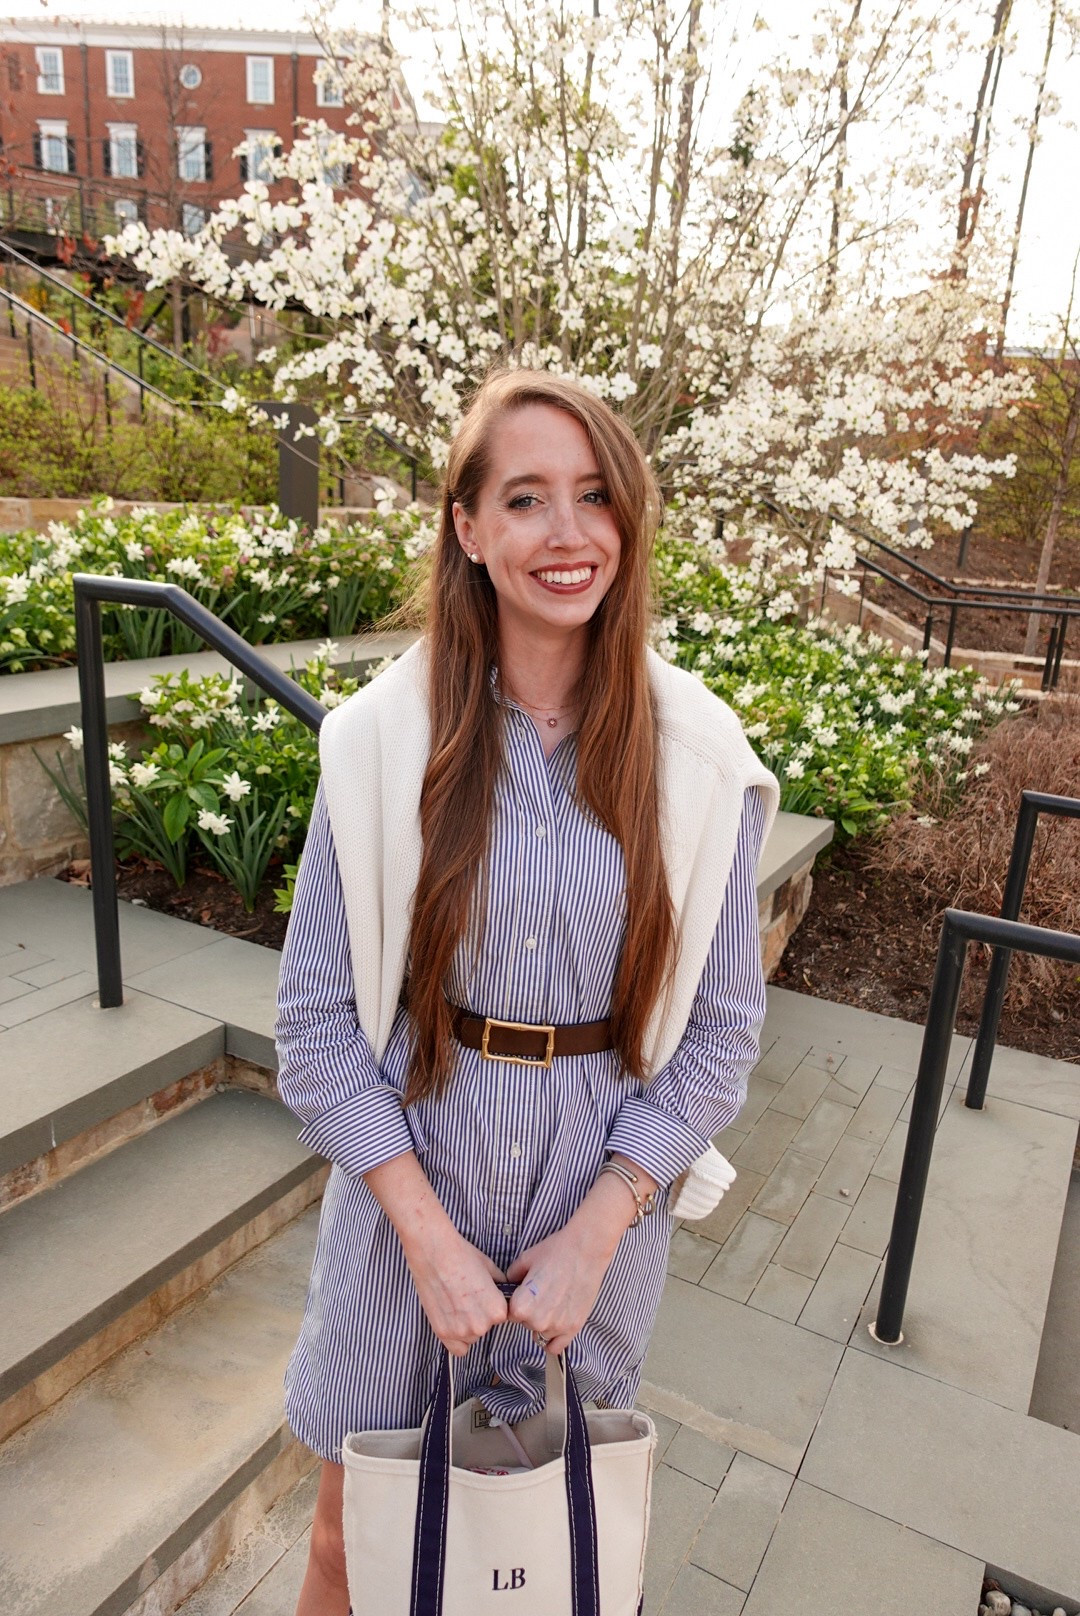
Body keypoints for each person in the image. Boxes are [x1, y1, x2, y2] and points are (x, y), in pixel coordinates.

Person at [274, 367, 779, 1615]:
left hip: (592, 1199)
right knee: (353, 1538)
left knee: (546, 1555)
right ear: (469, 526)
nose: (568, 534)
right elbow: (318, 1030)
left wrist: (601, 1225)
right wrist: (428, 1238)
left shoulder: (699, 761)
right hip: (409, 1187)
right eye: (528, 498)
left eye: (595, 496)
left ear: (630, 518)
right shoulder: (382, 747)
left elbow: (718, 1034)